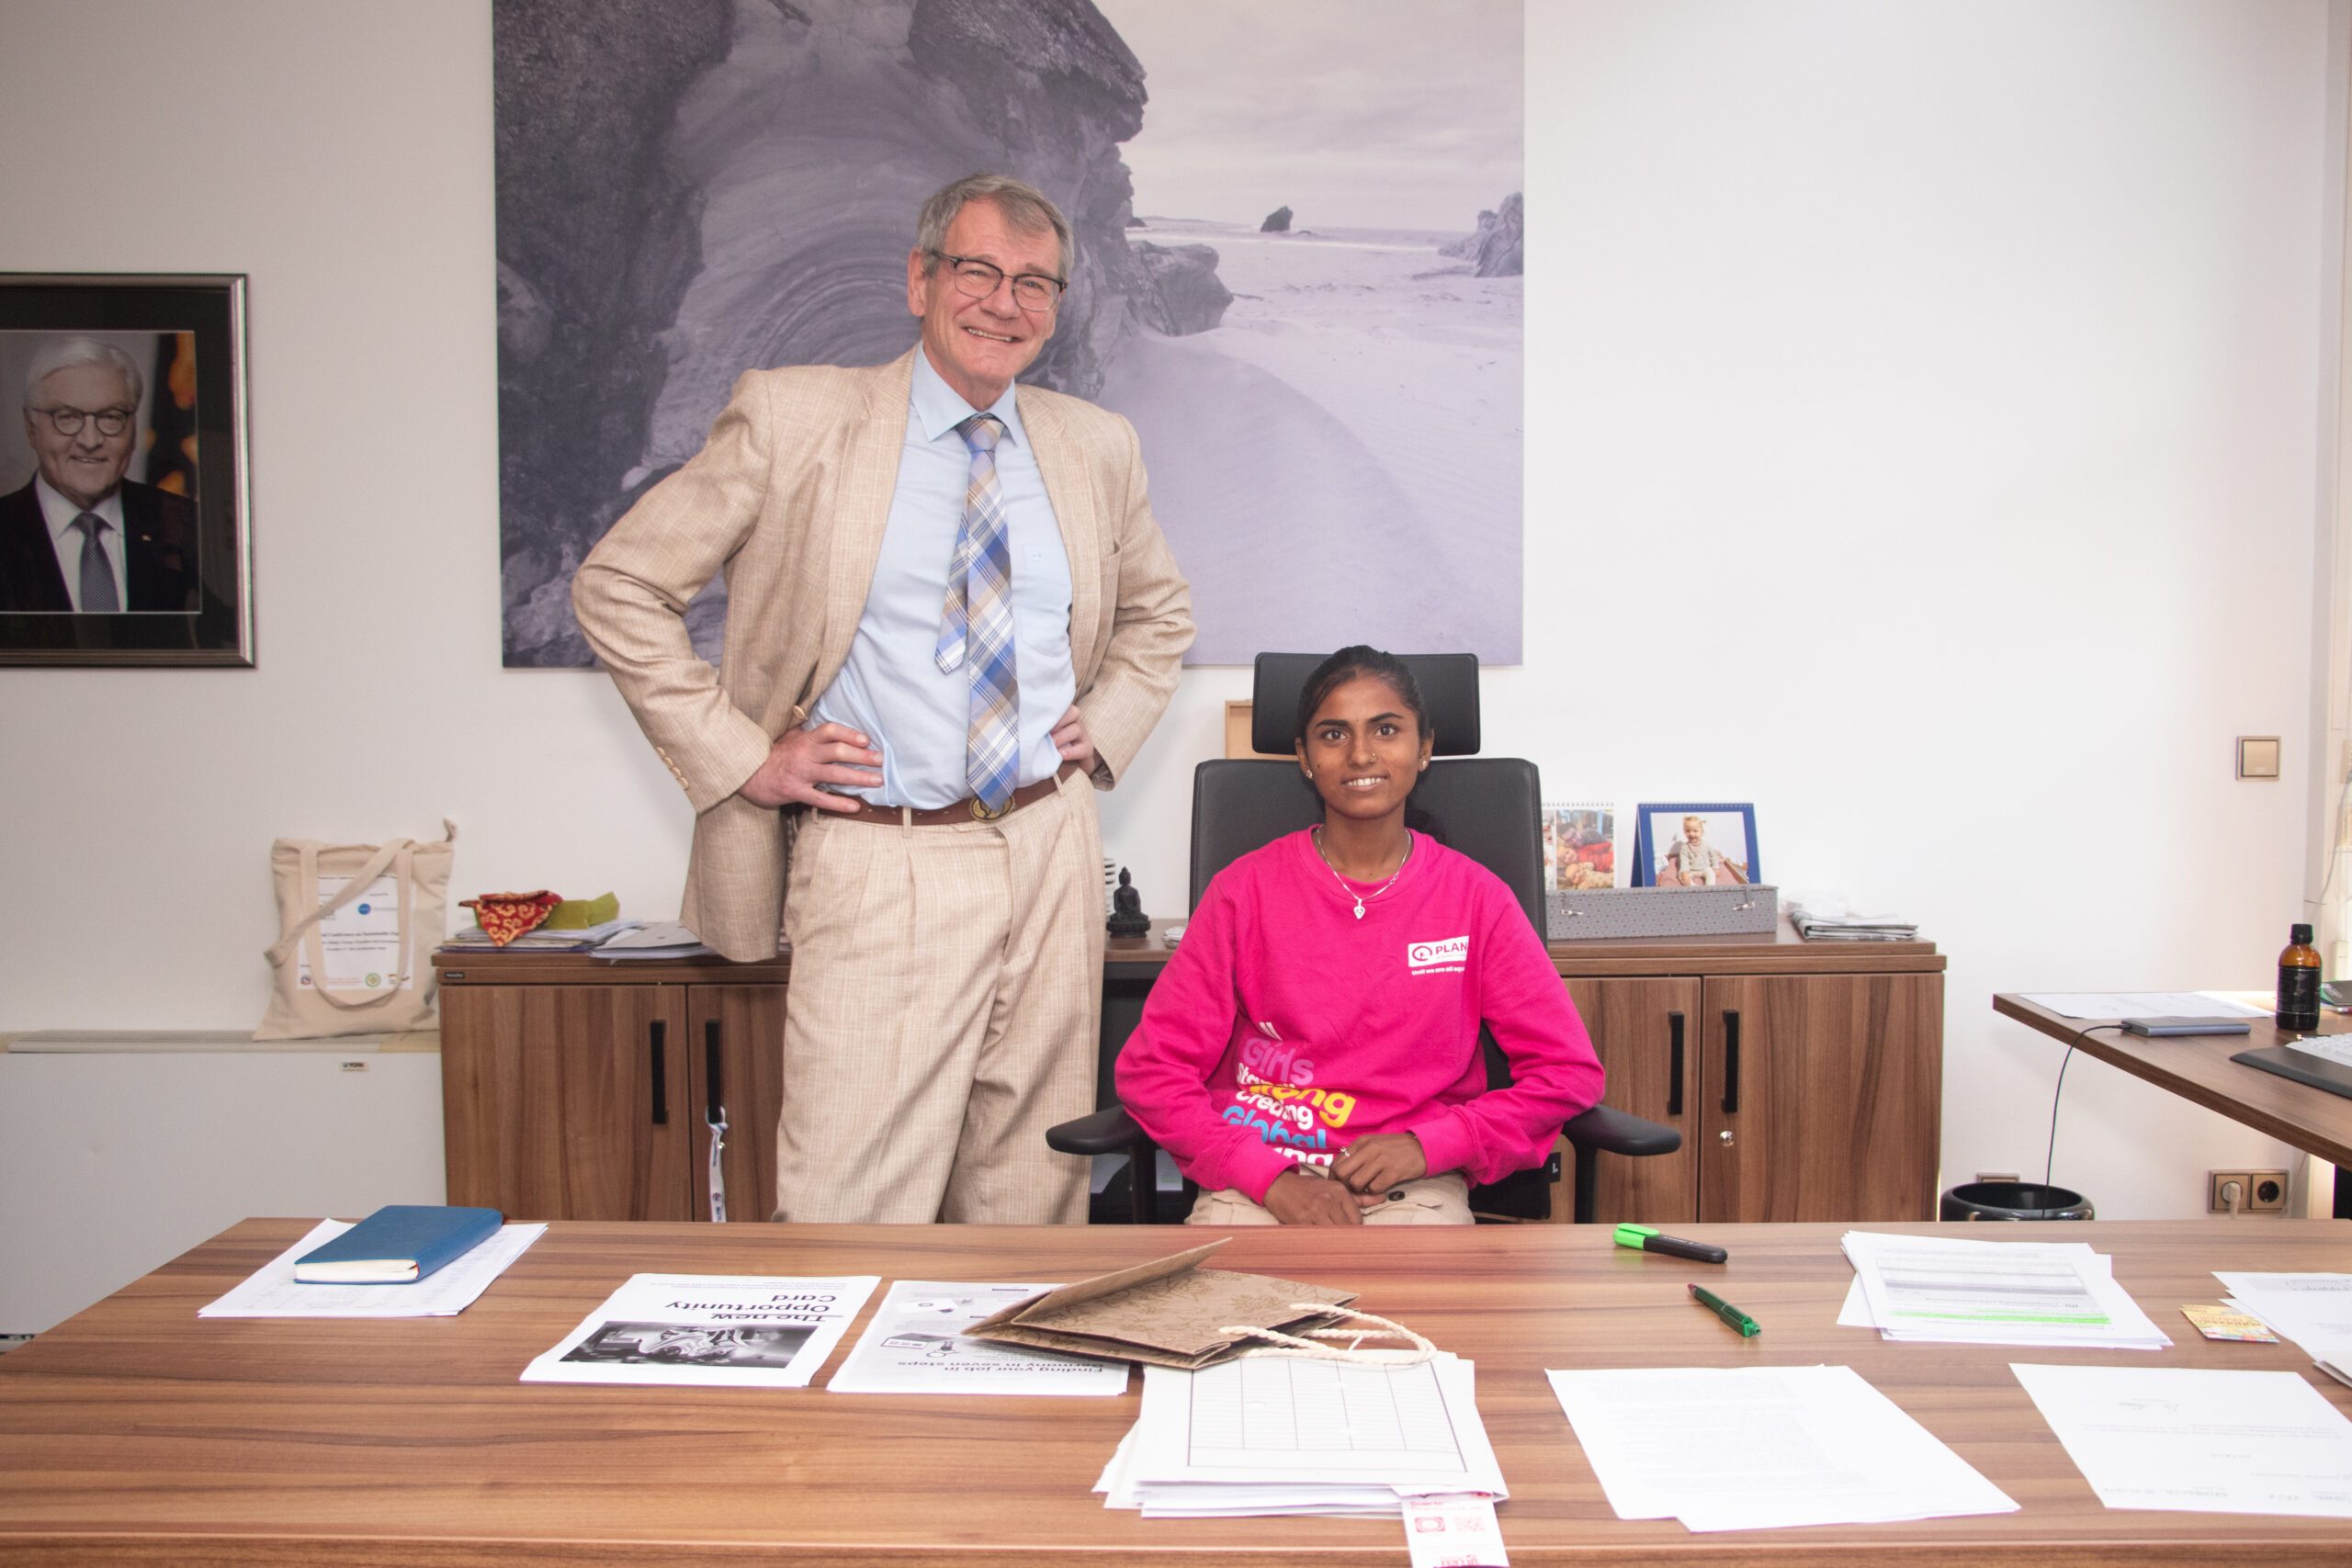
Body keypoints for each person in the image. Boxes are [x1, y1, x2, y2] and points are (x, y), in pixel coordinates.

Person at [572, 174, 1193, 1226]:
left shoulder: (1096, 444)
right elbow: (619, 584)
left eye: (1034, 283)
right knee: (848, 1210)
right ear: (919, 279)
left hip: (1050, 849)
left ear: (1055, 306)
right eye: (978, 271)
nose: (1004, 302)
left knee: (1031, 1194)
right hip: (883, 856)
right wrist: (742, 757)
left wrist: (1110, 723)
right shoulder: (796, 417)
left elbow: (1158, 613)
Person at [1115, 647, 1604, 1225]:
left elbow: (1567, 1074)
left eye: (1386, 730)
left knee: (1411, 1283)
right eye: (1333, 734)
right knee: (1227, 1284)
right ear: (1304, 757)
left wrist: (1431, 1145)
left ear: (1424, 748)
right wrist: (1269, 1179)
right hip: (1260, 1176)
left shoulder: (1477, 899)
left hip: (1416, 1182)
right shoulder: (1240, 893)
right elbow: (1153, 1072)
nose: (1361, 754)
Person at [0, 337, 198, 614]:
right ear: (31, 428)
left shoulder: (189, 526)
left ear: (133, 430)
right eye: (67, 417)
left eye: (111, 417)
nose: (90, 441)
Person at [1656, 814, 1747, 886]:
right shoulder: (1684, 848)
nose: (1692, 834)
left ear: (1701, 832)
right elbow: (1684, 861)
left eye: (1695, 831)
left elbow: (1713, 856)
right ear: (1684, 832)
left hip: (1705, 868)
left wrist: (1716, 867)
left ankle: (1709, 888)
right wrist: (1685, 872)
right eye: (1688, 831)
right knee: (1681, 876)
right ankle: (1692, 887)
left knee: (1711, 874)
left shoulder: (1707, 845)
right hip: (1691, 870)